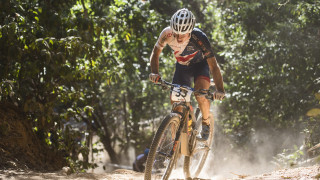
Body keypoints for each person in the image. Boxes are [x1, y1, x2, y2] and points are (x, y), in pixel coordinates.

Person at [149, 8, 225, 141]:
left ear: (190, 32)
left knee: (200, 94)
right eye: (176, 33)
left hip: (200, 66)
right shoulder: (166, 33)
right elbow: (155, 53)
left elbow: (213, 65)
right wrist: (155, 73)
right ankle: (178, 141)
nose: (178, 38)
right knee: (176, 104)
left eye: (182, 34)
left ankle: (206, 122)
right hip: (182, 67)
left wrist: (220, 90)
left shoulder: (199, 37)